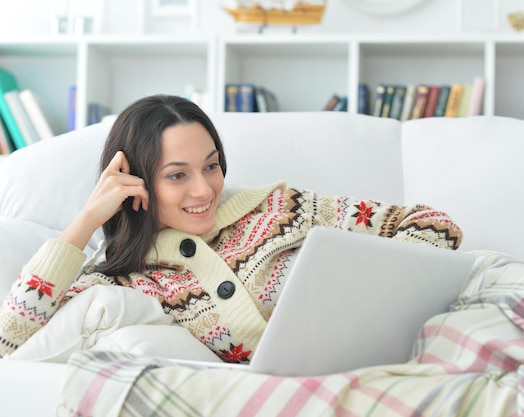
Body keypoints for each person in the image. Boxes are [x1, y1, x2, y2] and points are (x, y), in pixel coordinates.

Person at [0, 94, 463, 362]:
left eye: (212, 166)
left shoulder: (281, 209)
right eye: (177, 175)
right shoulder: (126, 278)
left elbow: (432, 226)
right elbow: (9, 343)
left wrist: (378, 298)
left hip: (407, 341)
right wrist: (85, 222)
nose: (204, 190)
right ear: (136, 183)